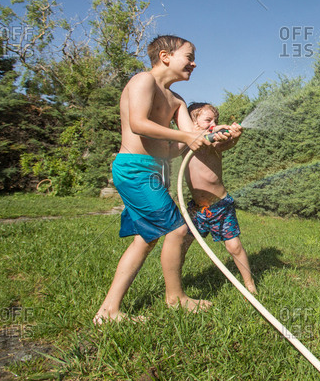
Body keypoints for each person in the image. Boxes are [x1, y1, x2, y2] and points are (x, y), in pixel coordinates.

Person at [93, 35, 230, 324]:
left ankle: (109, 311)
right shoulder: (143, 81)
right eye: (189, 56)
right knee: (178, 230)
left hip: (156, 172)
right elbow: (138, 123)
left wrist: (216, 134)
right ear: (166, 56)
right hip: (134, 168)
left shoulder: (176, 100)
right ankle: (175, 298)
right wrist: (187, 136)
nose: (194, 63)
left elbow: (189, 138)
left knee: (147, 238)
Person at [184, 102, 257, 294]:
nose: (213, 123)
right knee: (181, 245)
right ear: (191, 123)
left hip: (220, 206)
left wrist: (235, 136)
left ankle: (249, 283)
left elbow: (226, 143)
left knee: (234, 247)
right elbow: (195, 137)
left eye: (215, 120)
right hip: (197, 208)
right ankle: (178, 283)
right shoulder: (186, 143)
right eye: (208, 120)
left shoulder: (214, 145)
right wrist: (213, 129)